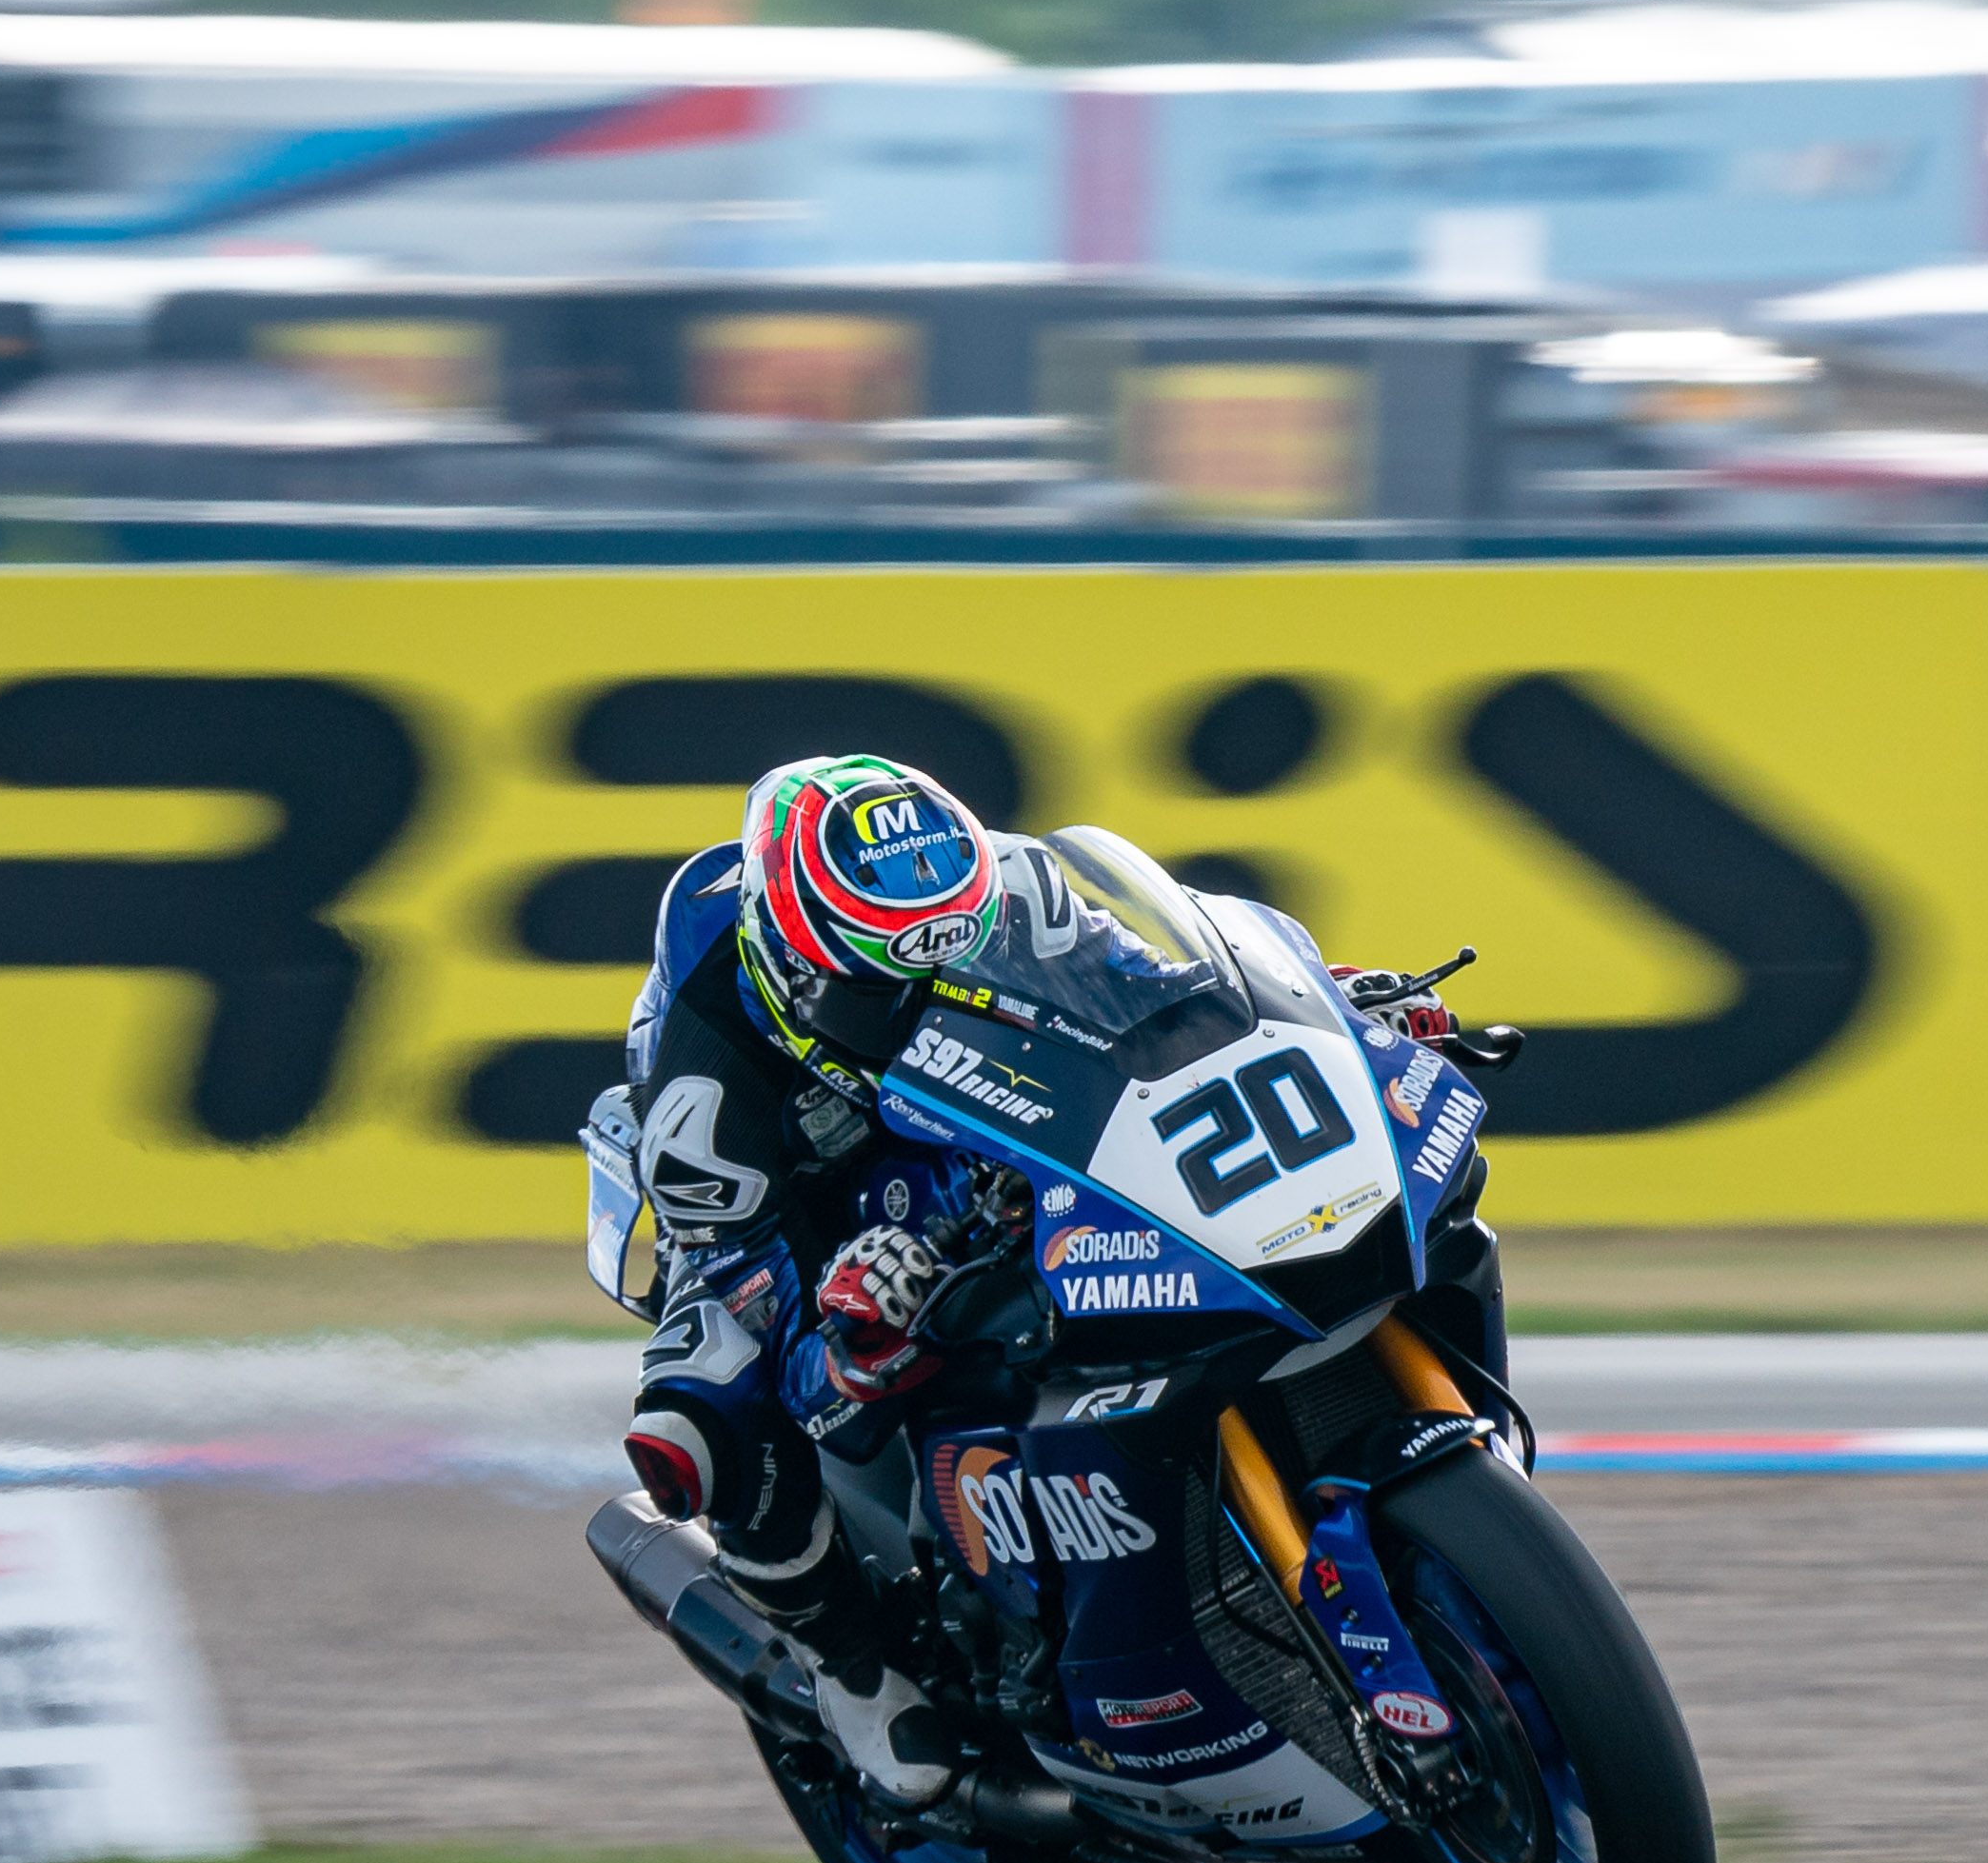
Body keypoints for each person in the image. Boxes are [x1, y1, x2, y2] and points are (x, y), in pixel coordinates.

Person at [599, 752, 1457, 1807]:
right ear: (797, 976)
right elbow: (772, 1327)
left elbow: (1165, 989)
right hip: (803, 1190)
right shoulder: (704, 1103)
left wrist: (1336, 1012)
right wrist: (850, 1337)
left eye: (951, 956)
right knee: (702, 1418)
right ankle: (849, 1673)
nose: (925, 997)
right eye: (886, 993)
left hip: (974, 1119)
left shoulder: (1005, 894)